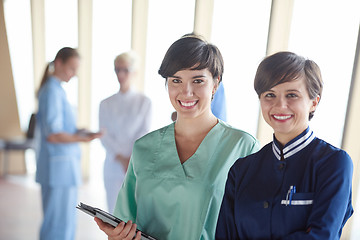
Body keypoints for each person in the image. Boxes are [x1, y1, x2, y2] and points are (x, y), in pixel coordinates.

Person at [95, 35, 260, 240]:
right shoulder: (144, 148)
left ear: (215, 83)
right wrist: (117, 236)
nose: (186, 91)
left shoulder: (242, 147)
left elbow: (254, 227)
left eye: (198, 80)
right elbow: (125, 219)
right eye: (176, 80)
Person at [215, 51, 354, 239]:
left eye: (292, 95)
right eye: (270, 95)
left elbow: (322, 235)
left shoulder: (334, 164)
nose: (280, 105)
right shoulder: (241, 170)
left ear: (314, 102)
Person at [36, 47, 102, 240]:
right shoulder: (51, 91)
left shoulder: (57, 90)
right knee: (57, 223)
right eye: (71, 68)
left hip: (62, 168)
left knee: (63, 222)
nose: (73, 74)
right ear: (58, 63)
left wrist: (79, 132)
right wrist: (82, 138)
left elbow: (60, 128)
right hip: (58, 170)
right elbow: (53, 134)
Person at [99, 51, 152, 213]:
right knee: (113, 212)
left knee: (134, 215)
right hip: (113, 164)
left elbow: (144, 133)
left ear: (135, 72)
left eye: (125, 70)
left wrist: (130, 158)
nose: (120, 74)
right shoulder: (105, 103)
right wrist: (121, 158)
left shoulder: (144, 102)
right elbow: (104, 136)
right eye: (117, 70)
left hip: (135, 163)